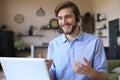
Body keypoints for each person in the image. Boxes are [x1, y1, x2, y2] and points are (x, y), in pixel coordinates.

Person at [40, 1, 107, 80]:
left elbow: (103, 76)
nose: (64, 22)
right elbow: (52, 77)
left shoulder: (95, 42)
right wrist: (45, 70)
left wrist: (90, 72)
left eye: (68, 17)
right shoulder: (53, 44)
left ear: (77, 18)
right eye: (60, 18)